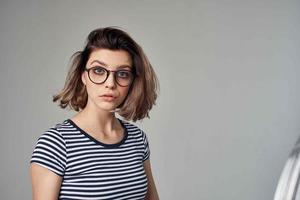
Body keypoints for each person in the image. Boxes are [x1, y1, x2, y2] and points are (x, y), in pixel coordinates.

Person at [30, 27, 160, 200]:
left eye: (122, 74)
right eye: (99, 70)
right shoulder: (56, 143)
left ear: (132, 81)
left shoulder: (138, 139)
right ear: (83, 76)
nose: (110, 83)